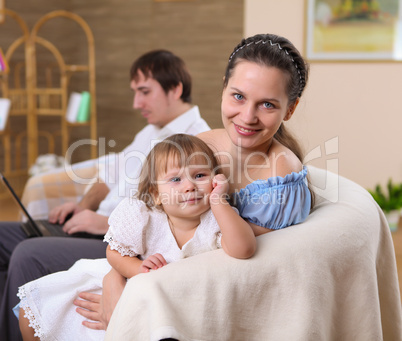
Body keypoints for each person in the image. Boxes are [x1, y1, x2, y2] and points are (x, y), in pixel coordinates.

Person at [74, 33, 314, 333]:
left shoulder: (280, 174)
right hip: (148, 261)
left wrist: (129, 286)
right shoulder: (205, 143)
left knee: (33, 263)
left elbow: (235, 260)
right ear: (223, 89)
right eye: (238, 96)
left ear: (289, 109)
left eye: (267, 104)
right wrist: (116, 275)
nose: (248, 116)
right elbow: (159, 218)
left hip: (181, 292)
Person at [0, 50, 211, 341]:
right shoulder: (151, 131)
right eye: (135, 92)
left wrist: (101, 223)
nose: (137, 103)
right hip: (94, 225)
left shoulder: (197, 140)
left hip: (120, 239)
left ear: (175, 89)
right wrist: (82, 206)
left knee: (27, 254)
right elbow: (110, 172)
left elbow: (177, 208)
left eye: (145, 92)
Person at [17, 134, 256, 341]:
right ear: (156, 194)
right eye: (175, 179)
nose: (189, 186)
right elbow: (114, 252)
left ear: (215, 181)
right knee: (34, 312)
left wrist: (218, 201)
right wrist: (138, 267)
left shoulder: (216, 219)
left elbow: (243, 248)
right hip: (129, 282)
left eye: (200, 175)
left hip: (160, 305)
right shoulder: (146, 216)